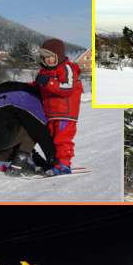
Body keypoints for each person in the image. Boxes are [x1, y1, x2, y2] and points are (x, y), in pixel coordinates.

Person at [33, 38, 83, 175]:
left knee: (62, 139)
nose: (48, 60)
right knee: (50, 139)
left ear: (58, 56)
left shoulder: (67, 68)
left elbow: (67, 87)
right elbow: (38, 87)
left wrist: (48, 83)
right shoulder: (44, 72)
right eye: (45, 57)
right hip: (50, 114)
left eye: (51, 57)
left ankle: (64, 165)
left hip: (66, 113)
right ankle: (55, 161)